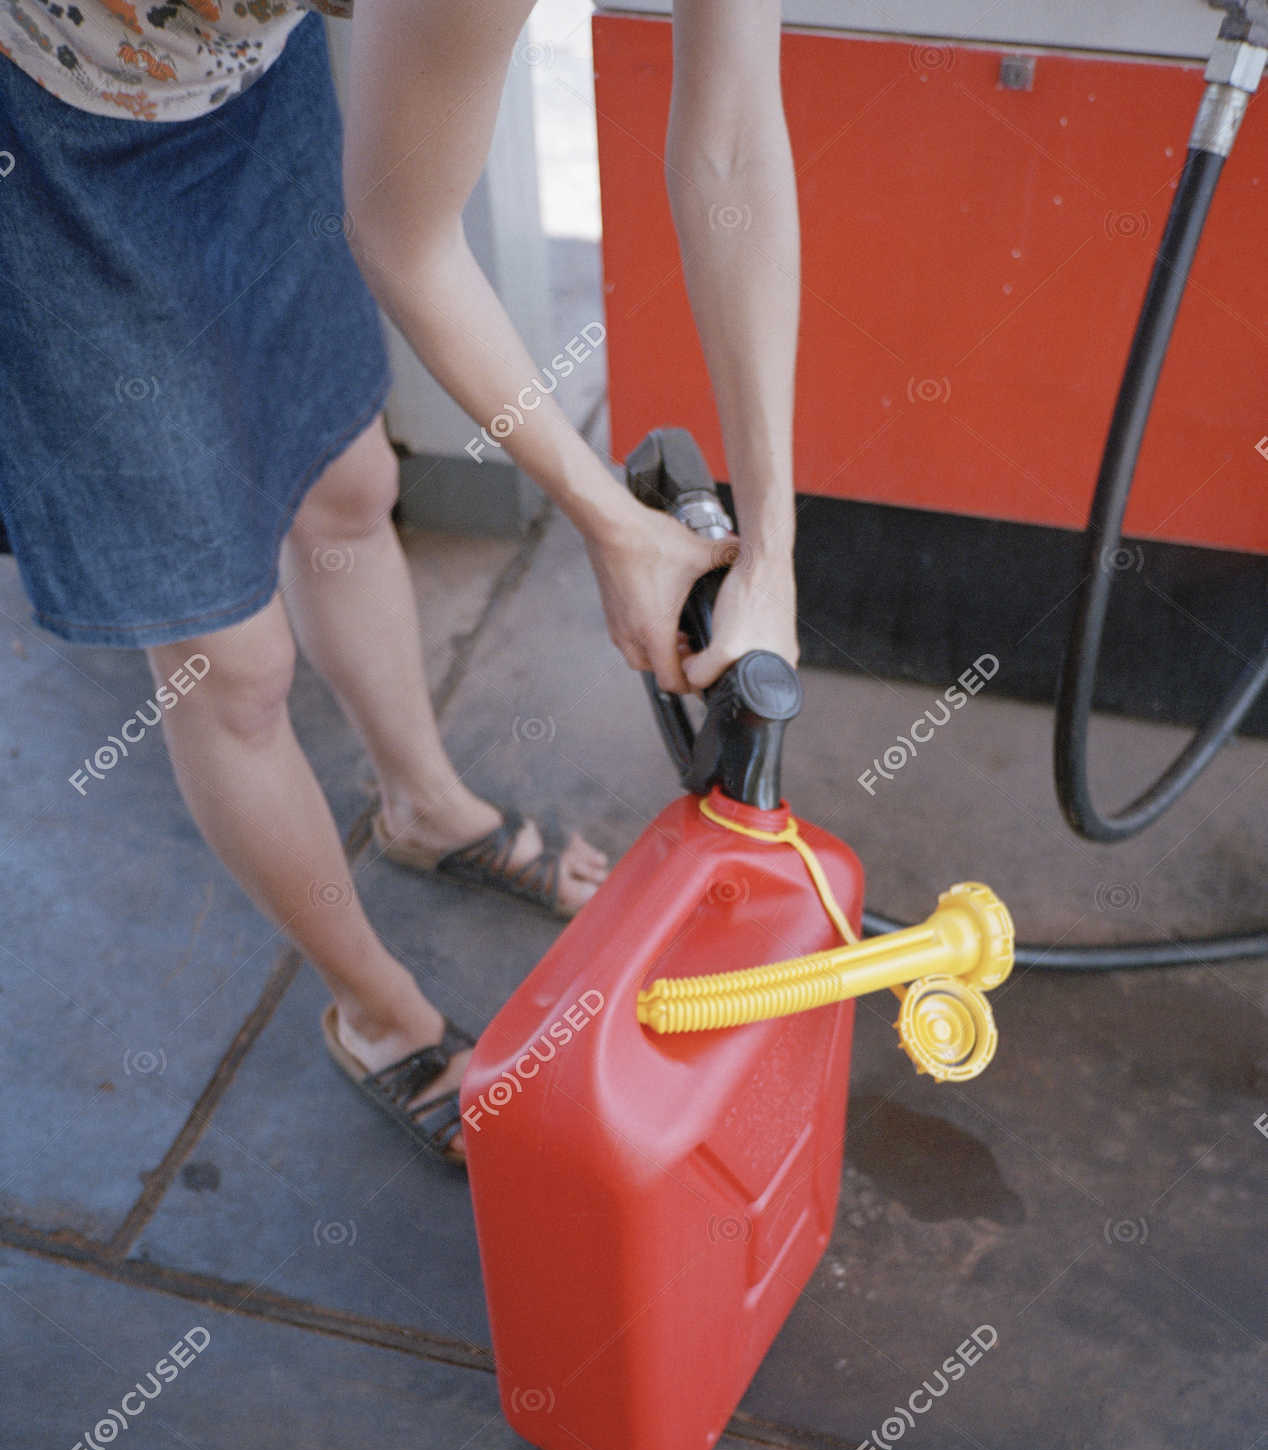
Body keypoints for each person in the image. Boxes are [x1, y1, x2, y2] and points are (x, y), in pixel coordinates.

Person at [0, 0, 799, 1164]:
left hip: (244, 90)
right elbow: (408, 241)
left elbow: (730, 139)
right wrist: (607, 523)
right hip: (44, 130)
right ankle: (376, 1014)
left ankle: (424, 806)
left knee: (349, 485)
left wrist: (768, 543)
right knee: (226, 660)